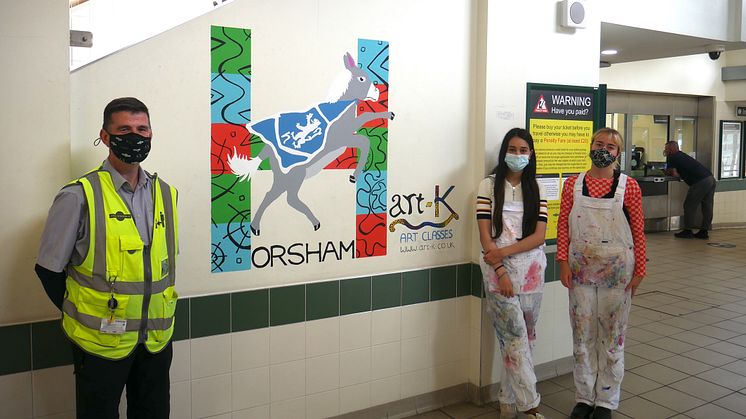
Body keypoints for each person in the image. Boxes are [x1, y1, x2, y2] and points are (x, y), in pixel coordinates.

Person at [35, 97, 179, 419]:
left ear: (151, 134)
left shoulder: (167, 195)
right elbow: (48, 270)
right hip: (99, 343)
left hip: (155, 341)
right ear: (105, 136)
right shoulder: (78, 195)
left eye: (142, 129)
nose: (135, 136)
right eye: (124, 129)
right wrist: (86, 309)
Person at [557, 128, 646, 419]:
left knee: (612, 338)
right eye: (599, 144)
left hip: (618, 275)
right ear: (590, 145)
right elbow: (562, 227)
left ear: (618, 154)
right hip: (580, 272)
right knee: (582, 337)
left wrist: (640, 271)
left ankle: (606, 400)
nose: (603, 149)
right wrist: (563, 263)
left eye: (610, 146)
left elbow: (638, 231)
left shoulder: (629, 187)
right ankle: (584, 398)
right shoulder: (573, 184)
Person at [477, 128, 548, 419]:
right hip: (498, 274)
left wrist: (503, 253)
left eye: (523, 150)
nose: (517, 155)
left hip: (531, 270)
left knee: (525, 337)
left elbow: (539, 236)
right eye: (513, 149)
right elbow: (485, 236)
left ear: (530, 155)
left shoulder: (537, 188)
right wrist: (501, 270)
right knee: (514, 336)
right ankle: (530, 406)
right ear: (504, 152)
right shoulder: (488, 186)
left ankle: (507, 400)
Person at [664, 141, 717, 239]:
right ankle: (704, 232)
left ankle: (688, 231)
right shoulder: (682, 155)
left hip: (699, 182)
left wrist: (670, 172)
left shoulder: (672, 157)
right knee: (707, 206)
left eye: (666, 149)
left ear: (671, 149)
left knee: (689, 205)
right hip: (710, 179)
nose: (665, 151)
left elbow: (674, 173)